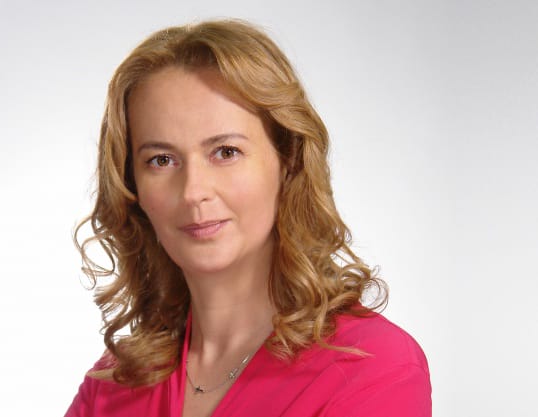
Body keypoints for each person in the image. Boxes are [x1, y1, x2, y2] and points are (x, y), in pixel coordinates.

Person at [65, 19, 431, 417]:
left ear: (288, 159)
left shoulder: (372, 368)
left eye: (226, 152)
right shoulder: (113, 384)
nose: (193, 191)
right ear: (132, 184)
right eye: (161, 160)